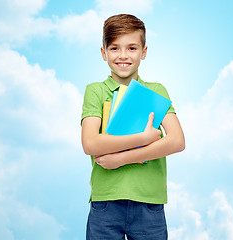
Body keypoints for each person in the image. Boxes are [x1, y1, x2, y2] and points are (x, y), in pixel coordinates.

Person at [81, 14, 185, 239]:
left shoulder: (156, 90)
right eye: (115, 48)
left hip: (149, 203)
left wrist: (119, 158)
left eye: (132, 48)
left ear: (144, 52)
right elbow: (90, 143)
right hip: (105, 202)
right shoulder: (96, 91)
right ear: (103, 53)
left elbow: (177, 141)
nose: (123, 56)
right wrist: (145, 138)